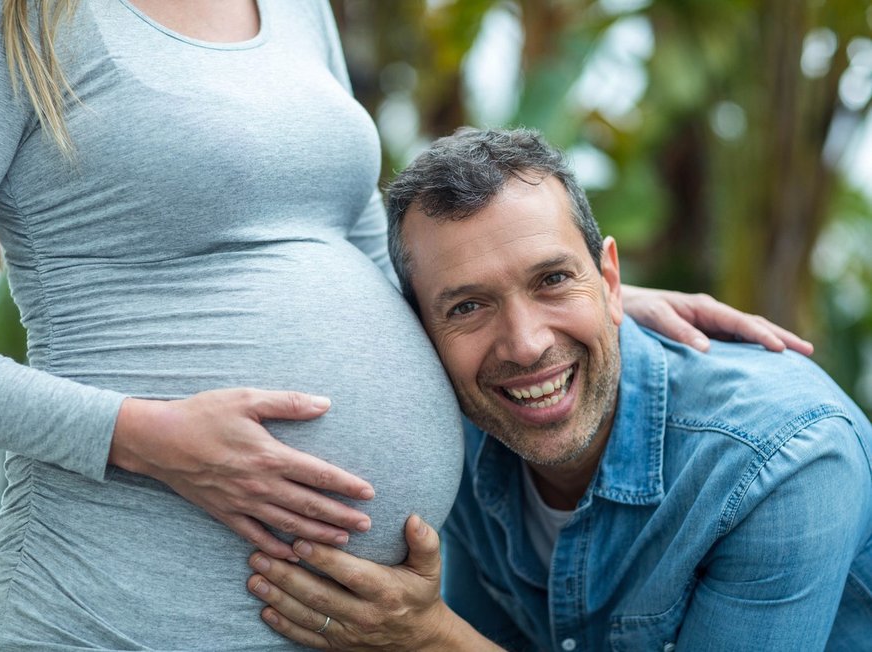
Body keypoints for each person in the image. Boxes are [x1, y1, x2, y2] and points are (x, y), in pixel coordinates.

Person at [0, 2, 810, 649]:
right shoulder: (4, 14)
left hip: (348, 628)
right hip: (116, 609)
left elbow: (373, 256)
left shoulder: (294, 7)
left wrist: (585, 303)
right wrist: (145, 436)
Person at [246, 128, 872, 651]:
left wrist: (434, 639)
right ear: (417, 331)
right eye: (468, 307)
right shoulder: (451, 428)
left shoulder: (784, 461)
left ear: (611, 279)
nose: (525, 344)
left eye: (552, 280)